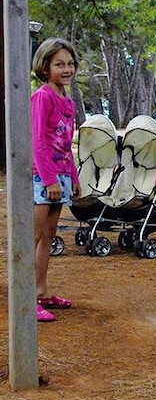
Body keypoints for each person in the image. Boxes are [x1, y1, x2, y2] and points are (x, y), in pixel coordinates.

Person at [32, 38, 82, 322]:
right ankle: (26, 296)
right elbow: (38, 141)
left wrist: (73, 177)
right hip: (43, 176)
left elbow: (66, 144)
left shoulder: (68, 102)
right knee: (34, 234)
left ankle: (41, 291)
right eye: (59, 64)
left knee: (49, 234)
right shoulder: (43, 97)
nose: (67, 69)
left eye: (70, 64)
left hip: (61, 175)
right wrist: (49, 179)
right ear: (45, 67)